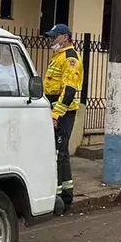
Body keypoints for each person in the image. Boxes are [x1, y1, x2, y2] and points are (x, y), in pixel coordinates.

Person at [43, 24, 83, 210]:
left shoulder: (70, 58)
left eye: (55, 37)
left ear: (65, 37)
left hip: (63, 110)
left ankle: (57, 196)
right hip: (53, 107)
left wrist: (56, 115)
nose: (52, 40)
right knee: (62, 153)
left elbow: (69, 90)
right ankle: (66, 195)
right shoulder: (58, 57)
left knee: (58, 153)